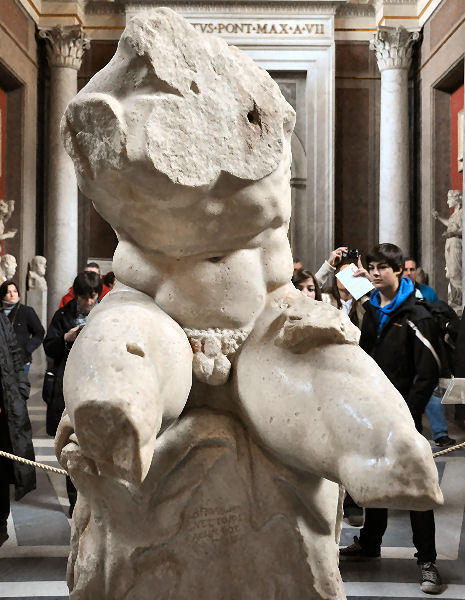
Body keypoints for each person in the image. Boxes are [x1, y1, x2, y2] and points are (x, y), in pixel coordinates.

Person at [341, 243, 442, 594]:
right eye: (371, 267)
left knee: (416, 488)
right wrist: (342, 270)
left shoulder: (418, 315)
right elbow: (363, 358)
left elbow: (427, 375)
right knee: (376, 478)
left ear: (399, 271)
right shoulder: (373, 310)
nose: (375, 272)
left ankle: (427, 560)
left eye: (383, 267)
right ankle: (370, 541)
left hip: (404, 417)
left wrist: (405, 416)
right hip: (374, 414)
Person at [44, 271, 102, 516]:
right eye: (83, 298)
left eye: (92, 297)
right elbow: (49, 346)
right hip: (69, 385)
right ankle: (74, 501)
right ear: (76, 296)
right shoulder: (63, 315)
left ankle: (97, 498)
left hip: (98, 386)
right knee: (71, 445)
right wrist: (66, 339)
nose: (88, 302)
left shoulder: (107, 314)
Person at [404, 259, 456, 447]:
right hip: (403, 348)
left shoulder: (427, 292)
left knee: (432, 390)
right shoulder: (394, 293)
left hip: (425, 346)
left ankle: (440, 433)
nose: (409, 272)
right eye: (405, 269)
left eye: (412, 269)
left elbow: (438, 315)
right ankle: (411, 432)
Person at [0, 306, 35, 546]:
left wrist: (21, 389)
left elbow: (14, 353)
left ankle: (0, 523)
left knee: (2, 472)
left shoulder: (1, 319)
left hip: (5, 409)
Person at [0, 280, 45, 373]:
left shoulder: (26, 311)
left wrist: (27, 349)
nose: (12, 295)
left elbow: (39, 332)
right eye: (9, 292)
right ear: (3, 295)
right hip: (2, 361)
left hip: (21, 361)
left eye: (15, 291)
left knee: (20, 387)